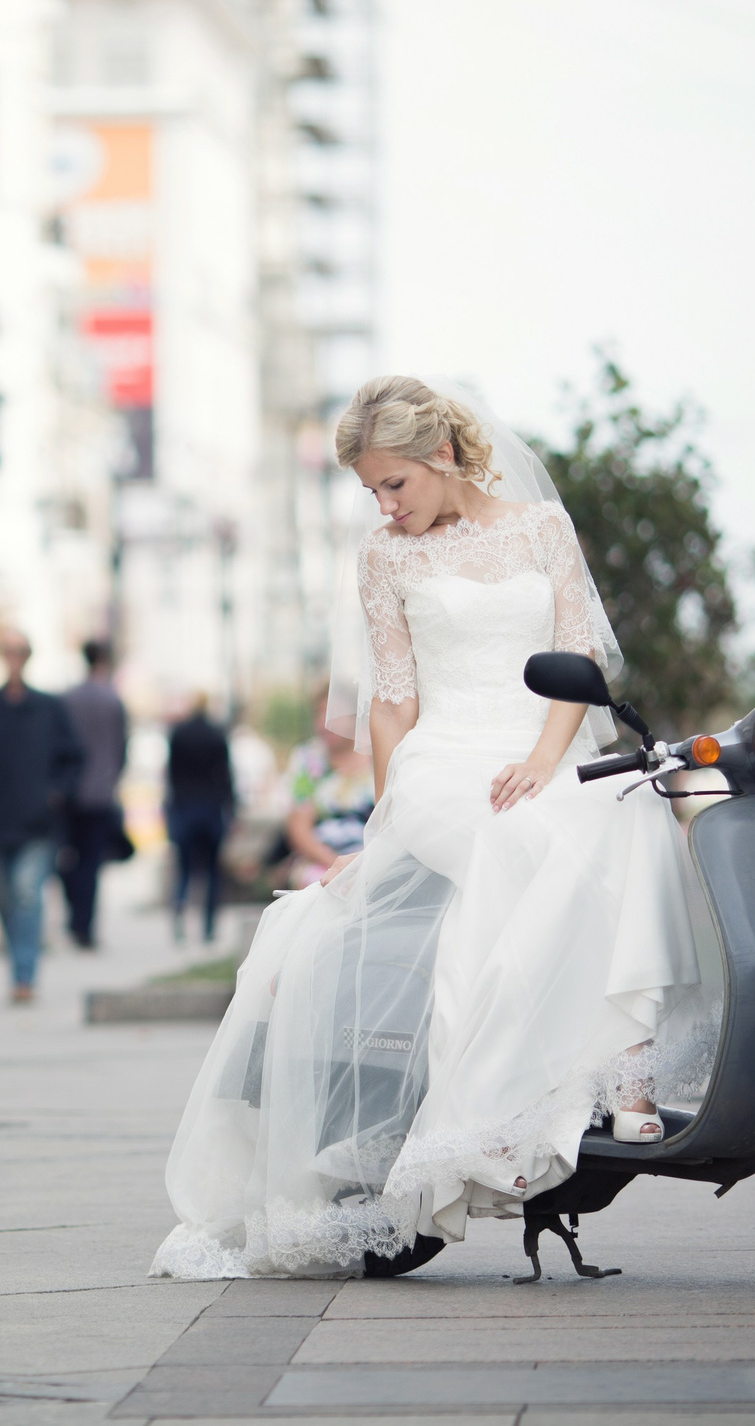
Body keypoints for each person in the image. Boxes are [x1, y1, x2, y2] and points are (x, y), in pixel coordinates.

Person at [153, 375, 705, 1280]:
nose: (384, 504)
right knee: (513, 841)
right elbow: (392, 701)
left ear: (443, 456)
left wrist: (540, 758)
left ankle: (628, 1080)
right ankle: (487, 1111)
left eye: (395, 484)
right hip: (443, 762)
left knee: (627, 811)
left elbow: (579, 660)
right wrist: (388, 812)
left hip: (540, 748)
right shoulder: (387, 557)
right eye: (372, 490)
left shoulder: (541, 530)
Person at [0, 627, 84, 1005]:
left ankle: (24, 975)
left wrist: (55, 795)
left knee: (27, 894)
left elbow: (74, 759)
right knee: (4, 898)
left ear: (28, 656)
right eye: (7, 650)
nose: (13, 657)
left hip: (37, 824)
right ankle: (19, 959)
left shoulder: (50, 709)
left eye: (20, 650)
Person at [59, 640, 128, 951]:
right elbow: (121, 748)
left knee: (69, 859)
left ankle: (75, 918)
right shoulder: (113, 701)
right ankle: (83, 924)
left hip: (69, 793)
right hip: (100, 793)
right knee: (91, 862)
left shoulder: (67, 699)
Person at [165, 695, 237, 945]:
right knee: (213, 873)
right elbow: (227, 775)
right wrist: (232, 809)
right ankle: (208, 926)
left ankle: (179, 918)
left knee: (184, 870)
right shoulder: (217, 734)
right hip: (211, 808)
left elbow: (170, 774)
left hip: (184, 807)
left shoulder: (178, 733)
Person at [282, 714, 376, 891]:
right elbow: (299, 830)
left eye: (334, 714)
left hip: (369, 857)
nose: (323, 723)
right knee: (320, 884)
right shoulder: (309, 759)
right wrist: (336, 864)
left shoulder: (377, 755)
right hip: (321, 858)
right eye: (319, 715)